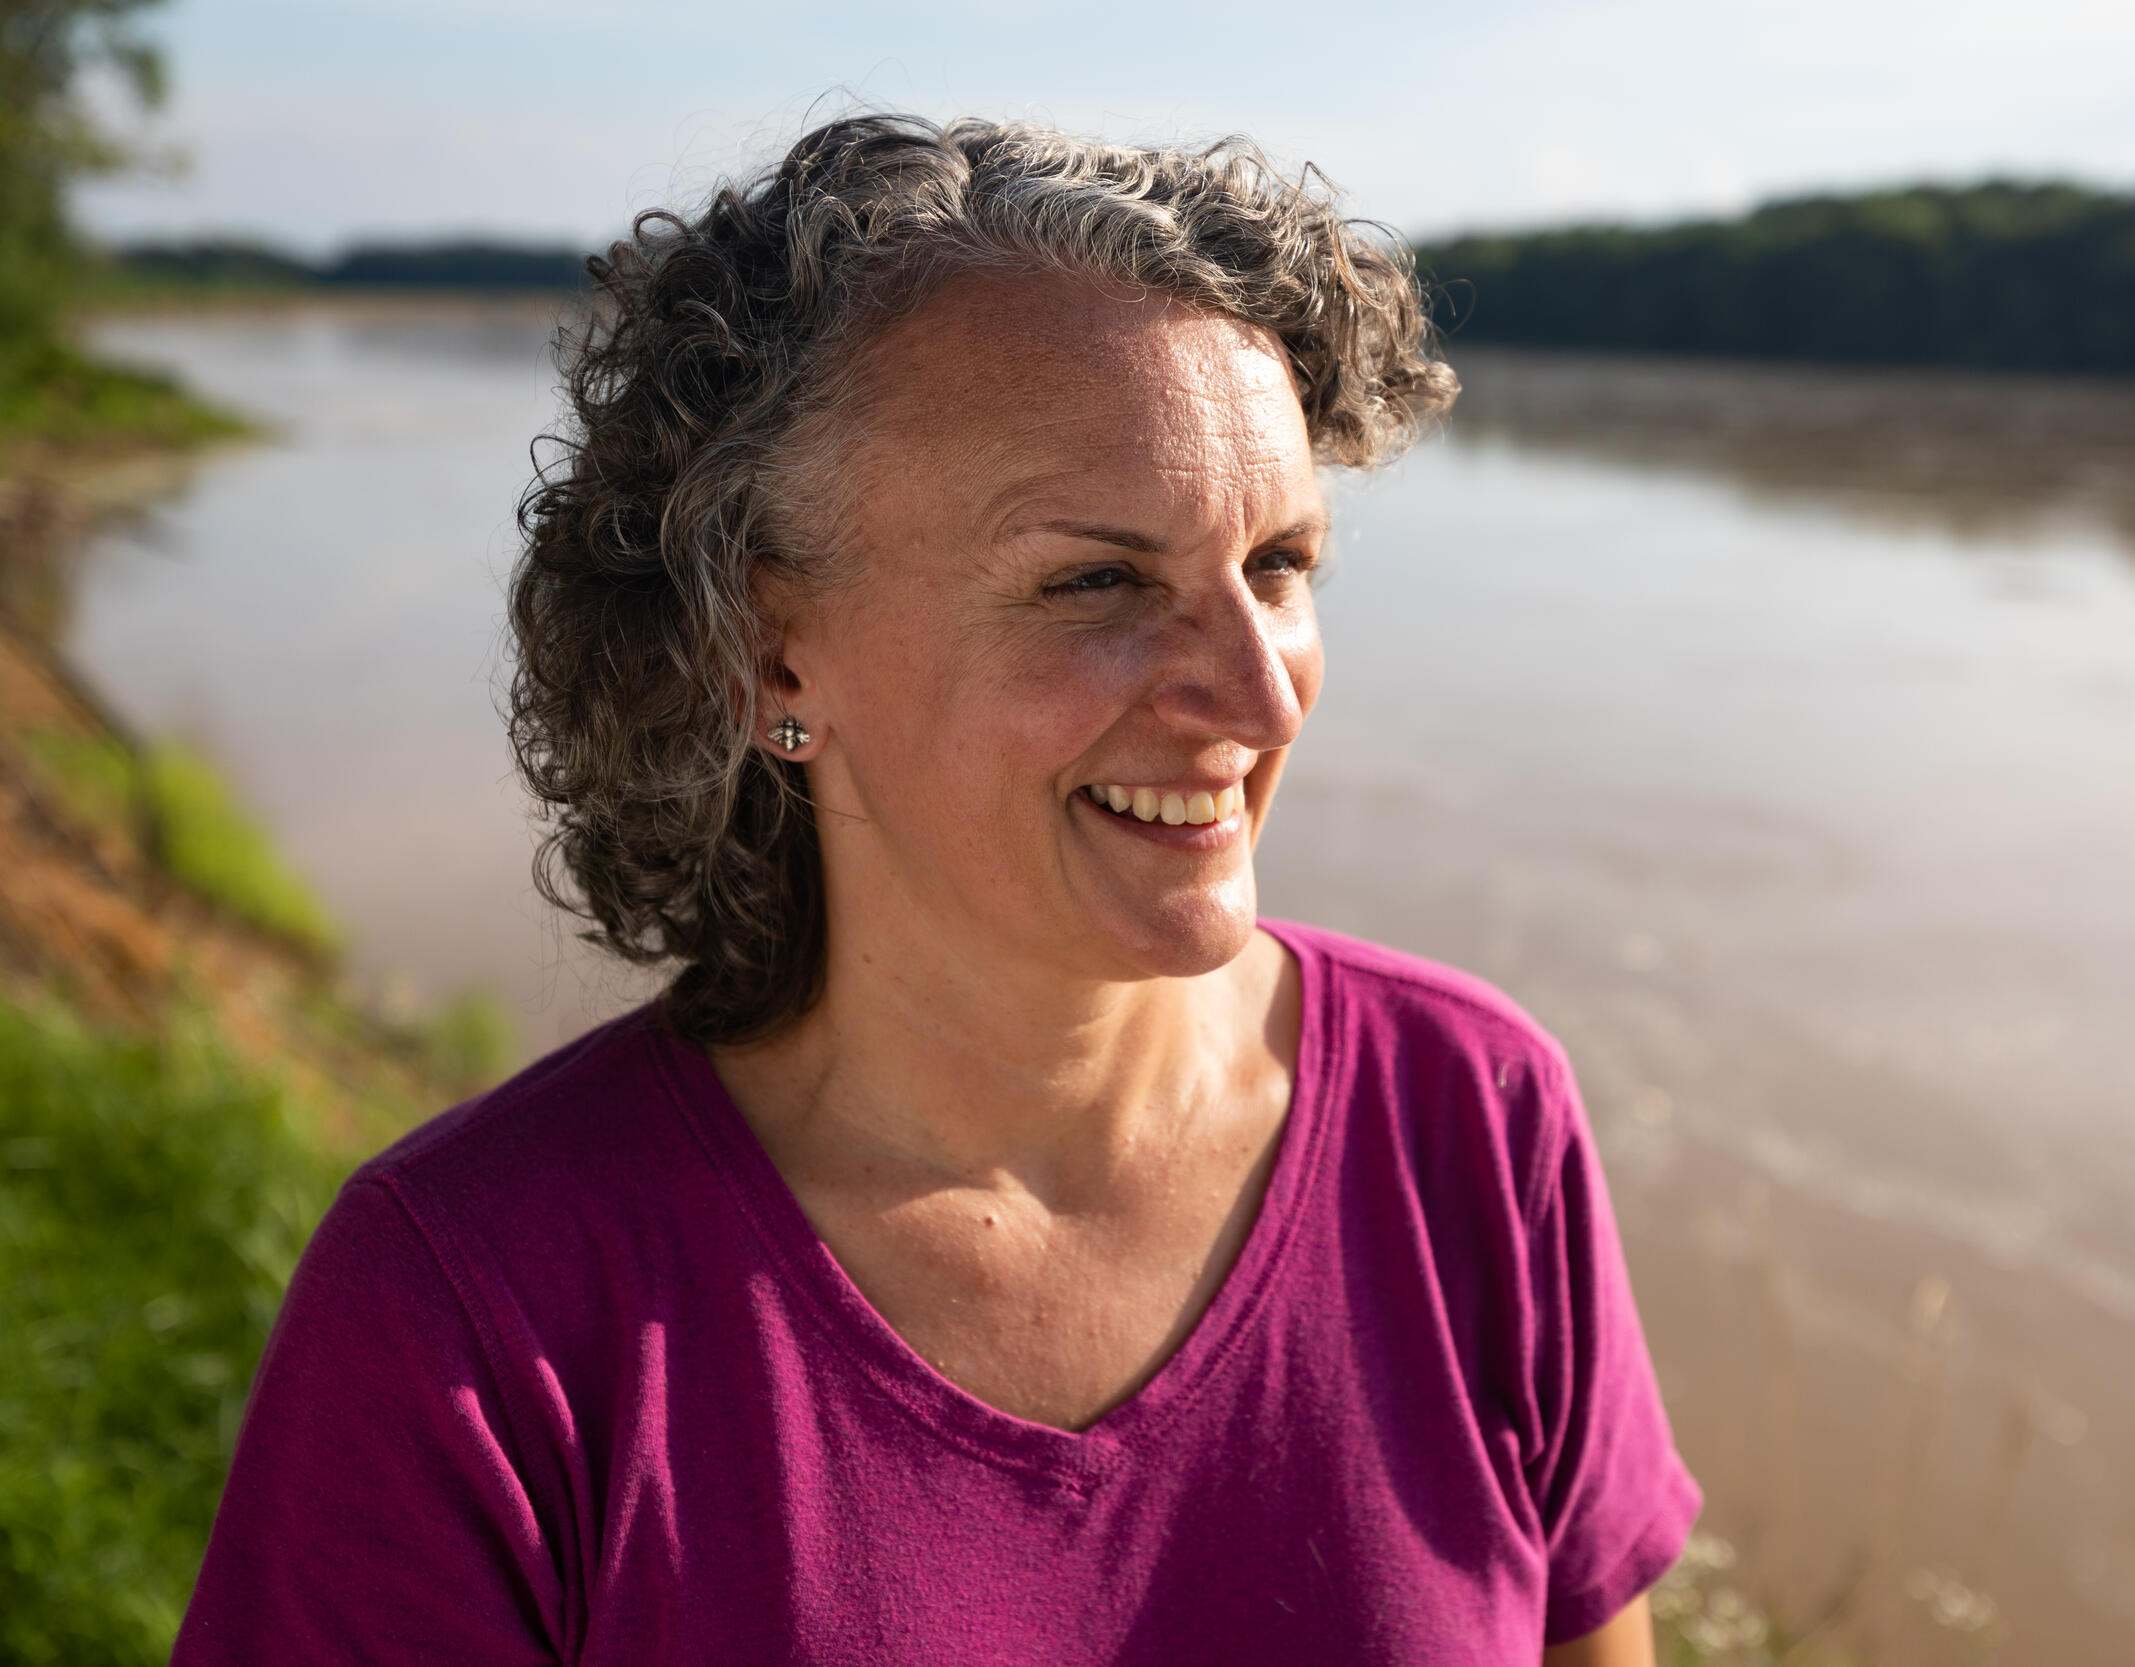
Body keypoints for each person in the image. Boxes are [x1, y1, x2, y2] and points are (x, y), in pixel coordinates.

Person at [169, 111, 1701, 1666]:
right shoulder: (472, 1321)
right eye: (1097, 581)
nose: (1260, 693)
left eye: (1281, 565)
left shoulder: (1470, 1123)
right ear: (769, 649)